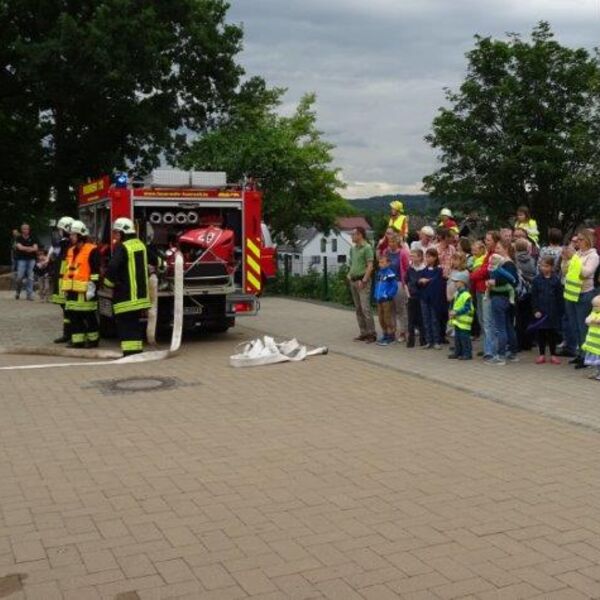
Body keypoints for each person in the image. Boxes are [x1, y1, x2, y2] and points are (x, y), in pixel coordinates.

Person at [104, 217, 152, 356]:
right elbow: (157, 260)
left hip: (125, 295)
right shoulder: (141, 245)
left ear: (123, 233)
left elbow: (113, 266)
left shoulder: (122, 247)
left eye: (117, 233)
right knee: (134, 324)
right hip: (140, 297)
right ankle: (136, 350)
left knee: (124, 324)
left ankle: (129, 353)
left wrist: (108, 283)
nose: (115, 236)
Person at [562, 229, 600, 369]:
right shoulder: (577, 254)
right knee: (574, 326)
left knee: (582, 326)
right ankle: (580, 353)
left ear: (588, 240)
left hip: (584, 294)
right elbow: (566, 272)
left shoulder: (593, 256)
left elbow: (585, 273)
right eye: (576, 240)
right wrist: (566, 260)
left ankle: (586, 357)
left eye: (580, 240)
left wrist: (574, 259)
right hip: (571, 293)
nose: (577, 242)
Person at [62, 220, 100, 348]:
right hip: (72, 290)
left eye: (73, 235)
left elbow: (95, 271)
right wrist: (64, 287)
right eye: (71, 234)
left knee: (88, 316)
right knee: (73, 315)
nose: (70, 237)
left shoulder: (92, 250)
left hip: (85, 291)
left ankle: (93, 340)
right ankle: (77, 341)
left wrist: (93, 287)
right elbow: (68, 269)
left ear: (80, 236)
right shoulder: (71, 250)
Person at [486, 242, 519, 366]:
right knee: (508, 326)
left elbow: (511, 280)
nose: (496, 250)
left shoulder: (506, 264)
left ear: (506, 249)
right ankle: (512, 352)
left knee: (501, 328)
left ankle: (500, 356)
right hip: (506, 299)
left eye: (499, 248)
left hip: (500, 298)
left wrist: (492, 282)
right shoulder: (504, 263)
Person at [471, 231, 500, 360]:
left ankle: (491, 350)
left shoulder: (494, 255)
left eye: (488, 240)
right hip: (480, 288)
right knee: (483, 320)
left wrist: (473, 275)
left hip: (486, 290)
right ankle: (487, 347)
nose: (486, 242)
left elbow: (485, 270)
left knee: (488, 321)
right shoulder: (488, 254)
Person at [531, 256, 564, 365]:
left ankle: (553, 354)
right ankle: (541, 354)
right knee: (541, 333)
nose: (543, 268)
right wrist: (535, 310)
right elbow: (534, 297)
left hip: (553, 312)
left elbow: (559, 297)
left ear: (551, 267)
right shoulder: (536, 280)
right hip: (540, 312)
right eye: (541, 266)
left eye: (546, 266)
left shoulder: (556, 280)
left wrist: (560, 311)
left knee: (552, 334)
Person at [49, 216, 74, 343]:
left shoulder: (70, 245)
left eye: (61, 230)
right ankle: (67, 334)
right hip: (61, 281)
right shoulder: (64, 244)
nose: (59, 232)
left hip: (68, 282)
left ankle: (72, 335)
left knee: (70, 310)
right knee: (65, 309)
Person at [419, 248, 445, 349]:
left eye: (429, 256)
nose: (427, 258)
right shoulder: (424, 270)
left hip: (434, 299)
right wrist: (420, 281)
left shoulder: (439, 270)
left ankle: (437, 341)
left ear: (435, 257)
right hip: (424, 298)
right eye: (426, 256)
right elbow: (418, 282)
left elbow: (437, 281)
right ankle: (428, 341)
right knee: (426, 320)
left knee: (435, 320)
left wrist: (427, 281)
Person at [385, 234, 408, 342]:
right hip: (388, 282)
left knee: (400, 308)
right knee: (390, 309)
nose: (391, 244)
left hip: (398, 282)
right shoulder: (386, 252)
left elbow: (406, 268)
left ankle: (403, 331)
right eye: (390, 242)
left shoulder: (402, 253)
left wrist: (405, 283)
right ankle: (392, 331)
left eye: (393, 242)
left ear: (397, 243)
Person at [514, 238, 536, 351]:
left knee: (518, 318)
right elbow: (534, 274)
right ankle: (528, 342)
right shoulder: (531, 260)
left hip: (519, 291)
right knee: (528, 317)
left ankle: (519, 342)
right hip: (529, 291)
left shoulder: (514, 259)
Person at [448, 272, 474, 360]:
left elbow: (467, 308)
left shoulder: (466, 295)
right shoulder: (458, 293)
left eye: (456, 281)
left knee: (465, 338)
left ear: (463, 282)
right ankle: (458, 352)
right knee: (458, 337)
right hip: (458, 320)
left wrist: (456, 312)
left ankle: (467, 354)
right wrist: (452, 311)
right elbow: (455, 304)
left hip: (464, 321)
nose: (455, 283)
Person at [374, 254, 399, 346]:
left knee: (387, 318)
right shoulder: (379, 273)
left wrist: (388, 295)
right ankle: (385, 334)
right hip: (379, 299)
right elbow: (377, 285)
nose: (380, 264)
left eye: (383, 262)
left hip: (386, 300)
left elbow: (394, 286)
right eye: (379, 262)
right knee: (381, 318)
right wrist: (376, 294)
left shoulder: (390, 274)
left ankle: (391, 336)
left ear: (388, 263)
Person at [405, 248, 425, 347]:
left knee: (421, 318)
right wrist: (407, 294)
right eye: (411, 255)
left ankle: (423, 339)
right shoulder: (410, 269)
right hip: (411, 296)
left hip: (421, 297)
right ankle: (411, 340)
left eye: (414, 256)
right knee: (411, 319)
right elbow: (406, 282)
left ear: (420, 257)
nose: (411, 257)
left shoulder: (424, 269)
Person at [14, 223, 39, 300]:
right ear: (21, 230)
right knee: (19, 277)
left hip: (31, 259)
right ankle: (18, 292)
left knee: (30, 277)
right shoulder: (18, 238)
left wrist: (25, 248)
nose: (26, 230)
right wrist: (30, 248)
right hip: (21, 259)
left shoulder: (33, 237)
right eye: (24, 229)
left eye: (27, 229)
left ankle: (29, 295)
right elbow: (19, 247)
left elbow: (36, 248)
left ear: (29, 229)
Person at [582, 294, 600, 380]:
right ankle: (597, 372)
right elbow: (587, 320)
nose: (594, 308)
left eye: (597, 306)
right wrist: (591, 320)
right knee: (596, 361)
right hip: (594, 342)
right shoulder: (593, 313)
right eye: (593, 306)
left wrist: (597, 321)